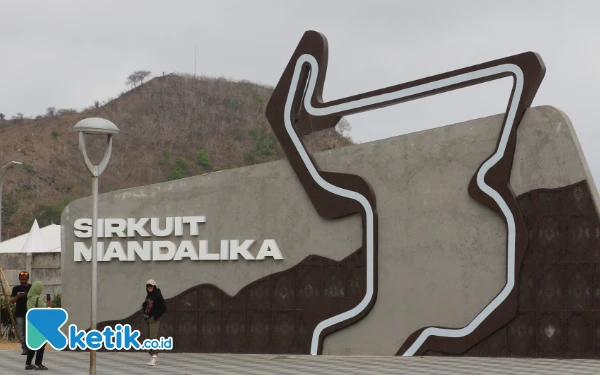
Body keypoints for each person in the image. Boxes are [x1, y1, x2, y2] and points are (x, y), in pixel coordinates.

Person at [24, 281, 52, 370]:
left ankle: (28, 364)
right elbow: (44, 312)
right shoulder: (37, 299)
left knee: (33, 344)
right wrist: (48, 306)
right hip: (40, 323)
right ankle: (38, 364)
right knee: (41, 344)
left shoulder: (29, 299)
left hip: (31, 323)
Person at [141, 279, 166, 366]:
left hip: (154, 320)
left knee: (153, 338)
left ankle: (154, 357)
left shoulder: (157, 295)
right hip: (147, 319)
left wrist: (155, 316)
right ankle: (153, 356)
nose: (149, 288)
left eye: (151, 286)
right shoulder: (149, 296)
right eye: (148, 286)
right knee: (147, 338)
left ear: (154, 287)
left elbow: (163, 307)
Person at [10, 271, 31, 355]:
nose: (23, 281)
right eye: (21, 279)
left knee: (29, 332)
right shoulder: (16, 288)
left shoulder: (31, 287)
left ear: (28, 279)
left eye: (25, 279)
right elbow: (12, 301)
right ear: (19, 279)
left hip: (30, 313)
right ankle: (24, 348)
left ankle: (30, 348)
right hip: (20, 313)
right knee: (21, 332)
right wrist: (18, 296)